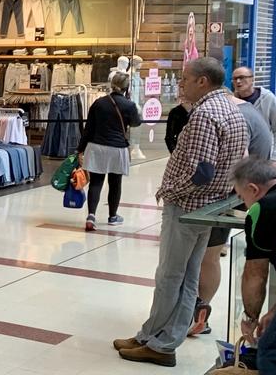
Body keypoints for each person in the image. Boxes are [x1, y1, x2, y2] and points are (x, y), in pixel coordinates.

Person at [113, 57, 247, 368]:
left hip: (188, 208)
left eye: (186, 78)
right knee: (187, 276)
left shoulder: (206, 114)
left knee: (170, 276)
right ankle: (153, 335)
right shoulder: (232, 108)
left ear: (203, 81)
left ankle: (160, 344)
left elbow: (200, 171)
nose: (181, 83)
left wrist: (169, 191)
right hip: (207, 208)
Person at [188, 90, 276, 336]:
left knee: (209, 257)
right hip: (246, 192)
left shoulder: (232, 115)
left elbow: (239, 158)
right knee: (210, 256)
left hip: (233, 196)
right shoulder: (247, 112)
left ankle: (199, 315)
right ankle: (198, 312)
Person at [207, 158, 276, 374]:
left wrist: (250, 318)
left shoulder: (262, 209)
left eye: (241, 198)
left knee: (272, 351)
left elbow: (255, 274)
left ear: (252, 189)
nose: (244, 204)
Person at [77, 71, 141, 231]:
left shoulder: (99, 103)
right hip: (117, 148)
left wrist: (80, 149)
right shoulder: (129, 105)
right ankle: (113, 216)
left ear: (111, 85)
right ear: (127, 88)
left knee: (96, 182)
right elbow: (136, 123)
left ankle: (91, 216)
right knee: (115, 183)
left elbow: (88, 128)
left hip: (96, 146)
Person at [231, 67, 276, 163]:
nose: (238, 81)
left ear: (252, 79)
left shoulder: (268, 99)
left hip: (261, 155)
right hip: (239, 157)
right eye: (235, 79)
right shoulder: (232, 100)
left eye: (242, 77)